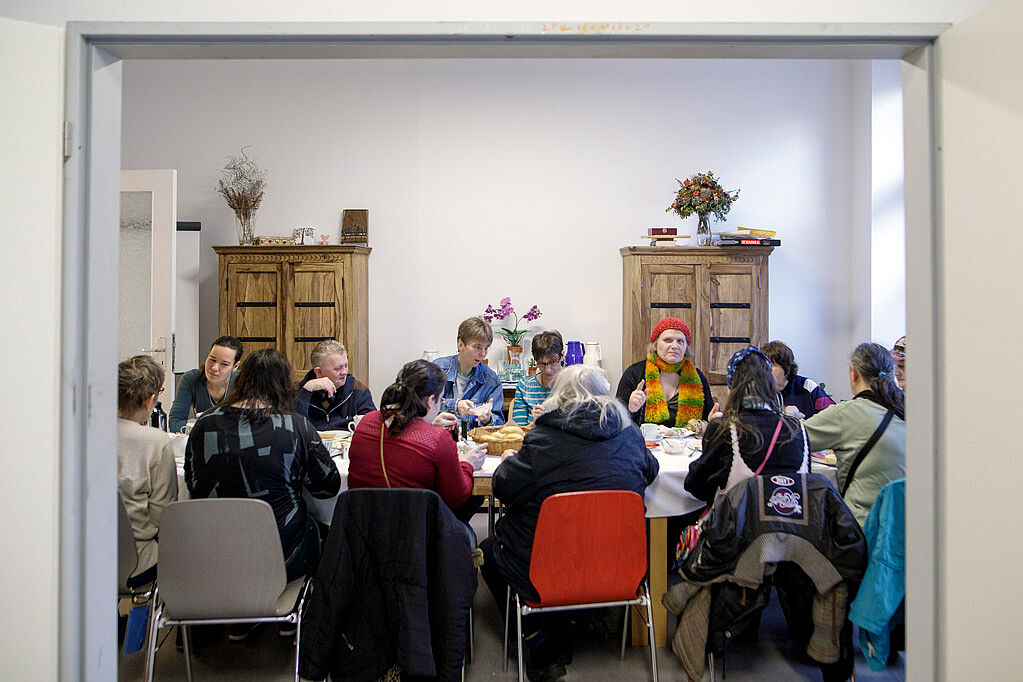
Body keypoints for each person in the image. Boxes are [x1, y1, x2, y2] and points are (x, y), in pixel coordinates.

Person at [480, 365, 659, 681]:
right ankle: (574, 621)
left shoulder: (543, 439)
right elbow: (651, 470)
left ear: (558, 397)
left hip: (549, 567)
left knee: (490, 550)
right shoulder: (629, 434)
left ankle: (540, 642)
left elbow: (504, 488)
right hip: (618, 564)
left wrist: (509, 462)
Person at [185, 349, 341, 588]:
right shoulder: (294, 426)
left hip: (214, 551)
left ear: (241, 379)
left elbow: (193, 484)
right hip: (280, 552)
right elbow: (327, 487)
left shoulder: (205, 422)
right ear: (284, 385)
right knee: (318, 528)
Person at [347, 359, 488, 523]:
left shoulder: (367, 421)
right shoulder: (438, 439)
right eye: (440, 400)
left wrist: (429, 426)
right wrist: (467, 464)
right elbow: (458, 498)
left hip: (364, 528)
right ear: (430, 401)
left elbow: (402, 436)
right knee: (473, 499)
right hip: (415, 531)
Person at [685, 346, 809, 506]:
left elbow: (695, 486)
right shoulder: (798, 429)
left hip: (737, 521)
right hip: (792, 520)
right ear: (770, 383)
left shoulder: (724, 428)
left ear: (732, 386)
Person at [803, 343, 906, 526]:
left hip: (863, 528)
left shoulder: (847, 414)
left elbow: (792, 438)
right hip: (904, 530)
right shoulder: (908, 411)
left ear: (854, 373)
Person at [117, 355, 178, 589]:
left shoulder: (84, 434)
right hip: (136, 562)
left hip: (83, 560)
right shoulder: (157, 442)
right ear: (150, 400)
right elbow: (163, 516)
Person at [616, 317, 716, 426]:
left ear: (686, 348)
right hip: (643, 437)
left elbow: (708, 418)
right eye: (668, 340)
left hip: (688, 437)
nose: (675, 346)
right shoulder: (634, 373)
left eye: (680, 341)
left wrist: (713, 422)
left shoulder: (698, 377)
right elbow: (616, 421)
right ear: (655, 345)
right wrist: (631, 409)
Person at [434, 316, 505, 428]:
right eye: (477, 347)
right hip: (439, 435)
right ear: (460, 344)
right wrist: (455, 405)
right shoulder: (437, 370)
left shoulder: (491, 380)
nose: (483, 354)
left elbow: (499, 424)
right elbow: (421, 405)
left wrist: (488, 420)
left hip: (473, 438)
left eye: (486, 348)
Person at [295, 339, 375, 431]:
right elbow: (292, 429)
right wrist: (307, 391)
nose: (344, 372)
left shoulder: (358, 390)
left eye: (346, 366)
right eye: (338, 368)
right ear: (319, 372)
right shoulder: (298, 391)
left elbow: (373, 428)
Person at [168, 336, 243, 433]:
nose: (214, 368)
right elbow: (175, 423)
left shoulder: (242, 381)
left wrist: (196, 424)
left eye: (224, 364)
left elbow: (247, 424)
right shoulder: (191, 378)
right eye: (212, 359)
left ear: (235, 366)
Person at [760, 340, 835, 419]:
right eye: (763, 365)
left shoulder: (807, 386)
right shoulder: (757, 391)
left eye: (772, 364)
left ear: (786, 367)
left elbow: (833, 417)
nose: (766, 369)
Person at [510, 330, 564, 425]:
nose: (547, 370)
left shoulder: (573, 385)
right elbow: (519, 429)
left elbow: (579, 427)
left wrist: (550, 421)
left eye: (552, 362)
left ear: (562, 355)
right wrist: (535, 424)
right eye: (541, 364)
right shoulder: (525, 386)